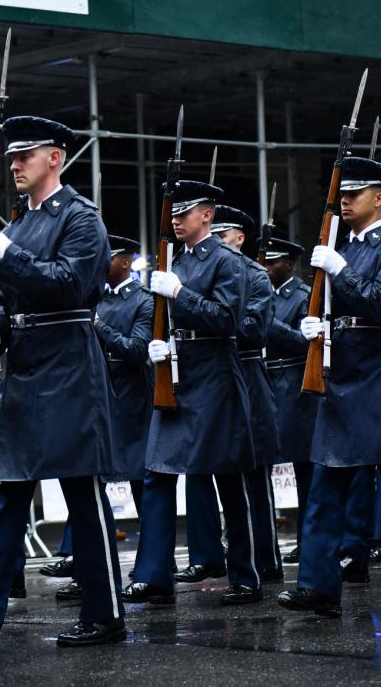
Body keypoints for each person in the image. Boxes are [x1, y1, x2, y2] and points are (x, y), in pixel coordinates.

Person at [0, 116, 126, 648]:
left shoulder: (80, 219)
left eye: (25, 156)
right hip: (28, 363)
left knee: (81, 489)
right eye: (11, 157)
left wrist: (6, 255)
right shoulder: (14, 224)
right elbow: (17, 299)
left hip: (69, 363)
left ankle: (105, 613)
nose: (14, 166)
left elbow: (72, 284)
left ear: (54, 157)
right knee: (7, 491)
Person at [277, 156, 381, 617]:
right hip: (346, 375)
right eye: (342, 194)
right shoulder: (340, 245)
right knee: (325, 488)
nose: (344, 200)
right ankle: (318, 584)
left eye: (355, 193)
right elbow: (343, 309)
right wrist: (319, 327)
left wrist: (338, 269)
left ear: (380, 198)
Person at [126, 181, 261, 607]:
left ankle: (246, 573)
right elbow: (160, 316)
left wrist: (179, 294)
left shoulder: (226, 262)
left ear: (207, 215)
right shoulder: (173, 260)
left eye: (185, 213)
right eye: (173, 214)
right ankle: (154, 575)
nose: (176, 220)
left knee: (227, 475)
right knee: (157, 474)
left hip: (214, 375)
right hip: (175, 372)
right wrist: (157, 340)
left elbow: (226, 320)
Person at [48, 235, 155, 601]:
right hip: (101, 398)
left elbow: (136, 350)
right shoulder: (97, 297)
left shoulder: (142, 301)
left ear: (124, 262)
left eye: (106, 258)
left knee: (143, 488)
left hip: (132, 401)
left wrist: (99, 327)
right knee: (91, 485)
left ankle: (154, 568)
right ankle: (82, 564)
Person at [211, 205, 283, 583]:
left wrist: (218, 318)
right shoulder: (205, 271)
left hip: (248, 377)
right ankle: (232, 555)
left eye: (221, 236)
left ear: (239, 238)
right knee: (225, 476)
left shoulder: (255, 275)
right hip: (216, 378)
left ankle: (267, 557)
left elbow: (255, 329)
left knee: (255, 476)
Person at [262, 236, 318, 564]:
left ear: (290, 263)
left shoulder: (302, 296)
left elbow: (305, 342)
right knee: (260, 467)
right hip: (267, 383)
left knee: (304, 472)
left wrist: (271, 325)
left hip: (293, 386)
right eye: (265, 262)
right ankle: (264, 544)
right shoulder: (261, 293)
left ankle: (307, 539)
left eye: (273, 262)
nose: (267, 268)